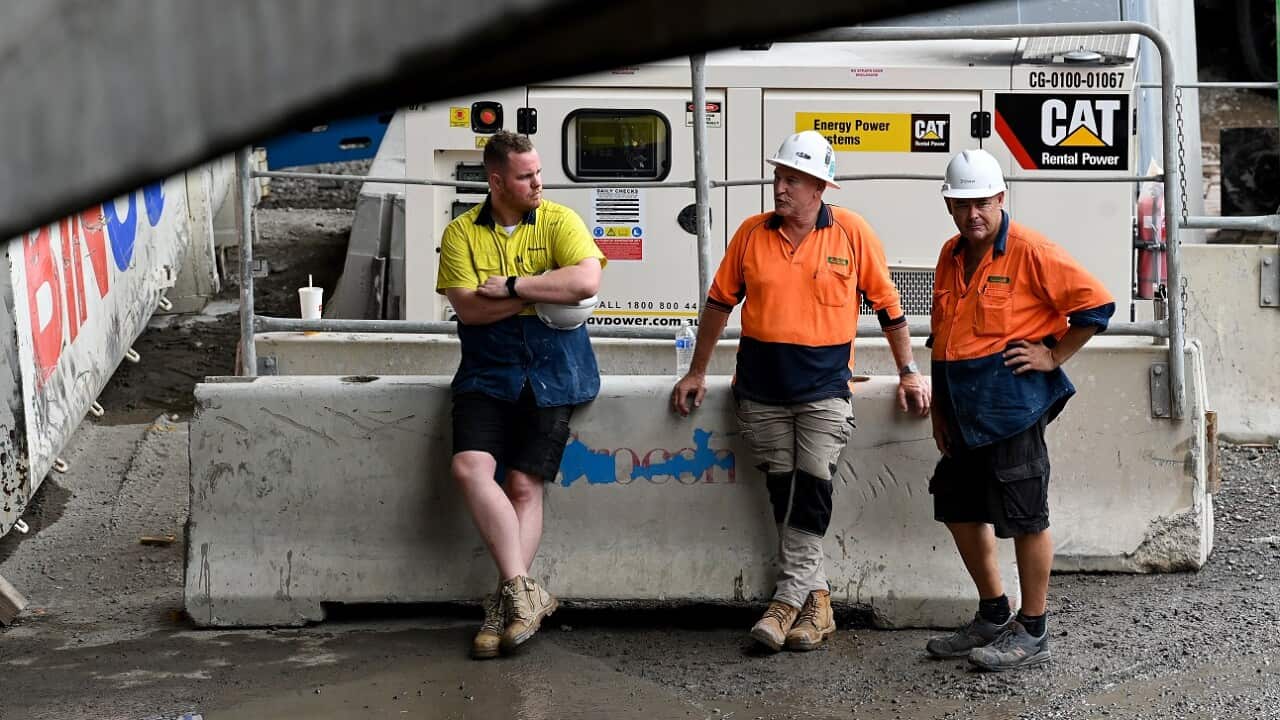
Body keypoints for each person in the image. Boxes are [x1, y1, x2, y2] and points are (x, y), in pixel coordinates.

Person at [671, 130, 931, 653]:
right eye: (778, 177)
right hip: (760, 388)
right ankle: (818, 603)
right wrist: (697, 372)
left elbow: (889, 308)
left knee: (812, 486)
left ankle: (785, 602)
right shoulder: (750, 233)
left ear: (819, 187)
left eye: (791, 179)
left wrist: (909, 370)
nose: (779, 187)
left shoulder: (852, 234)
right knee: (782, 489)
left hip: (824, 388)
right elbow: (719, 306)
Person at [923, 148, 1115, 671]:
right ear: (949, 206)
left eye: (981, 203)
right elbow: (943, 336)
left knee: (1026, 516)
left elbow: (1096, 306)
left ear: (1001, 198)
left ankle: (1033, 629)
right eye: (961, 205)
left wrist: (1052, 354)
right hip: (962, 412)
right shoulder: (949, 254)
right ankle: (992, 612)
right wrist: (941, 408)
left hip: (1012, 409)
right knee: (958, 508)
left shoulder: (1030, 250)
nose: (972, 215)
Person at [436, 130, 606, 659]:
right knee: (469, 468)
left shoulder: (559, 219)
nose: (538, 181)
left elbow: (585, 281)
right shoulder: (461, 232)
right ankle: (521, 593)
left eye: (538, 171)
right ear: (496, 181)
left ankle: (503, 606)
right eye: (526, 175)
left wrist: (512, 286)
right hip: (487, 372)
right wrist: (540, 292)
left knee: (523, 485)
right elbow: (468, 309)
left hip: (557, 371)